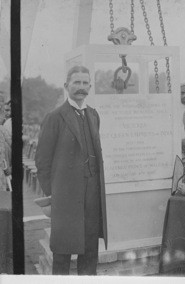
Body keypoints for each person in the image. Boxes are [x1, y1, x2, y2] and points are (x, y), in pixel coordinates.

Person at [35, 65, 107, 275]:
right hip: (65, 197)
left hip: (92, 195)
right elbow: (42, 161)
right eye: (77, 82)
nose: (81, 87)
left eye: (85, 83)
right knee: (63, 253)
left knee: (90, 251)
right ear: (67, 86)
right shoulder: (55, 117)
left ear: (90, 87)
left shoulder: (93, 115)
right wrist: (52, 194)